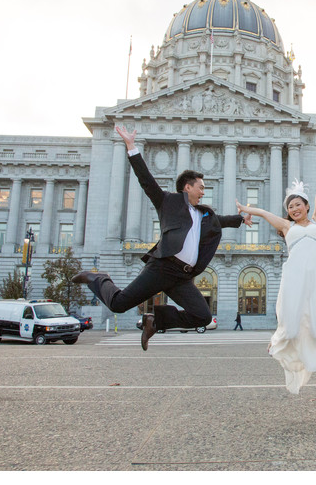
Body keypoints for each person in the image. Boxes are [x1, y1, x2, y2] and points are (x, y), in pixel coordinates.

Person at [72, 125, 252, 351]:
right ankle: (97, 278)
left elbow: (220, 220)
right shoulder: (168, 202)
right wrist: (131, 147)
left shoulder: (204, 214)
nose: (204, 191)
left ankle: (155, 321)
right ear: (187, 187)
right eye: (201, 187)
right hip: (162, 267)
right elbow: (146, 181)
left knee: (202, 316)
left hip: (182, 276)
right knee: (119, 304)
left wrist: (240, 219)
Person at [235, 168, 316, 394]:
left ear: (306, 206)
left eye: (298, 204)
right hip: (295, 277)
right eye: (290, 207)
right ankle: (277, 341)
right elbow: (261, 212)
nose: (294, 209)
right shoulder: (286, 226)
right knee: (290, 325)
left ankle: (311, 353)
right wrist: (244, 209)